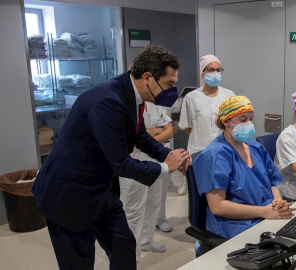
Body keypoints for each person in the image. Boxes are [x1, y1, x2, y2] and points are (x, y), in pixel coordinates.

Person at [32, 46, 192, 270]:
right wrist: (166, 168)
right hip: (68, 193)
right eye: (169, 84)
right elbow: (121, 163)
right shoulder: (108, 101)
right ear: (147, 78)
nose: (172, 90)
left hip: (101, 189)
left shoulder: (132, 94)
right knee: (79, 262)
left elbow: (139, 136)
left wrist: (170, 154)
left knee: (124, 247)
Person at [193, 96, 295, 239]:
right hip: (236, 225)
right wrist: (263, 212)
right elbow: (217, 206)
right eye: (242, 120)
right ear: (226, 122)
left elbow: (272, 183)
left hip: (266, 215)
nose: (249, 124)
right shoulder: (215, 156)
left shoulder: (256, 148)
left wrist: (277, 204)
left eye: (250, 119)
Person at [119, 102, 174, 263]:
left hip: (154, 164)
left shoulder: (156, 105)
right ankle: (131, 258)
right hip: (133, 166)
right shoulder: (128, 106)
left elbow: (169, 131)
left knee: (153, 204)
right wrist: (155, 132)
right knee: (132, 213)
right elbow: (131, 140)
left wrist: (148, 135)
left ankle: (146, 241)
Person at [179, 54, 235, 155]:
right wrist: (201, 138)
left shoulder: (229, 95)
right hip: (199, 150)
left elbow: (234, 124)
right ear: (202, 73)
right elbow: (186, 126)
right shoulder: (191, 97)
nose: (215, 73)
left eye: (218, 70)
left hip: (224, 149)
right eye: (211, 70)